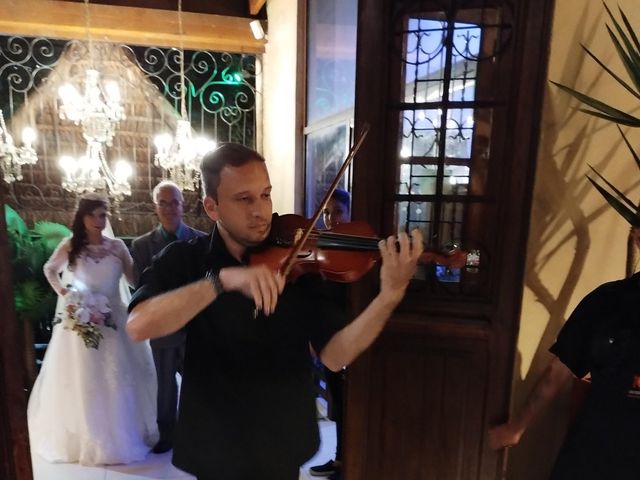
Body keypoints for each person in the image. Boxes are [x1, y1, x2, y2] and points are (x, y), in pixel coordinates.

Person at [126, 143, 423, 480]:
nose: (261, 211)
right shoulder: (185, 259)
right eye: (244, 199)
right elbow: (138, 325)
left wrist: (390, 295)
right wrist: (220, 281)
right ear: (212, 207)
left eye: (265, 195)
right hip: (214, 445)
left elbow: (336, 355)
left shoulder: (298, 263)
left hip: (281, 443)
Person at [28, 193, 158, 465]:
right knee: (84, 378)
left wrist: (152, 276)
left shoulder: (117, 247)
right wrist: (67, 294)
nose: (100, 220)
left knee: (119, 376)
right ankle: (88, 437)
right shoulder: (70, 246)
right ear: (83, 217)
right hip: (80, 318)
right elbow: (50, 269)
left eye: (104, 215)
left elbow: (133, 279)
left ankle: (123, 433)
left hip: (115, 319)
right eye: (94, 215)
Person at [488, 259, 640, 478]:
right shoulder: (607, 299)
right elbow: (560, 368)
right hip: (596, 452)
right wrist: (517, 428)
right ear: (637, 237)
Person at [131, 180, 206, 454]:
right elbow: (142, 285)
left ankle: (199, 431)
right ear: (155, 207)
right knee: (165, 386)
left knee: (198, 383)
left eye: (174, 201)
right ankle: (167, 435)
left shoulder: (200, 239)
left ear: (182, 205)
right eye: (163, 202)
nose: (169, 207)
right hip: (162, 326)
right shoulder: (141, 245)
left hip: (197, 326)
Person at [309, 188, 351, 479]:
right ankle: (339, 459)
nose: (331, 218)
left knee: (349, 405)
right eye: (327, 213)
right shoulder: (319, 248)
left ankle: (350, 461)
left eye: (337, 212)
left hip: (348, 337)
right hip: (326, 338)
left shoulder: (356, 250)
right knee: (336, 402)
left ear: (348, 214)